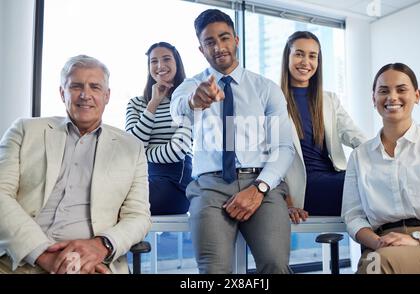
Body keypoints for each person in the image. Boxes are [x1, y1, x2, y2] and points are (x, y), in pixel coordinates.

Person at [0, 55, 151, 274]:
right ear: (62, 92)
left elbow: (138, 216)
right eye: (76, 86)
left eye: (95, 87)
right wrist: (42, 254)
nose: (85, 95)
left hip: (94, 266)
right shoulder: (24, 130)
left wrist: (102, 246)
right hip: (20, 260)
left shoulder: (131, 148)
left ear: (107, 96)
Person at [170, 9, 295, 274]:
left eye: (224, 38)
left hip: (261, 182)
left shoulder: (265, 88)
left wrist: (260, 188)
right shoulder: (191, 86)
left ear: (236, 40)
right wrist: (196, 100)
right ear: (201, 49)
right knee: (213, 271)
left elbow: (284, 148)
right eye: (210, 42)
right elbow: (178, 108)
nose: (218, 47)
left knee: (275, 264)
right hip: (210, 186)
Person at [342, 63, 420, 274]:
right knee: (375, 262)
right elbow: (353, 216)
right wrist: (377, 242)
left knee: (376, 265)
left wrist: (417, 238)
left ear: (417, 96)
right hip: (383, 245)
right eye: (383, 91)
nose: (392, 97)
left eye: (401, 89)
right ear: (374, 99)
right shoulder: (359, 156)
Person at [281, 31, 366, 223]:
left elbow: (353, 135)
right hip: (302, 186)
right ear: (287, 56)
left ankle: (383, 247)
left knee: (374, 182)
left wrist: (385, 155)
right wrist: (283, 198)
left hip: (333, 176)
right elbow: (265, 156)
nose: (305, 62)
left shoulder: (329, 100)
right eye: (299, 54)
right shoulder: (273, 99)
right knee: (368, 191)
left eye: (312, 56)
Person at [126, 42, 192, 215]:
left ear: (177, 63)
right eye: (153, 61)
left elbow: (177, 152)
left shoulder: (186, 102)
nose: (160, 65)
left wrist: (144, 151)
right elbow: (131, 148)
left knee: (123, 204)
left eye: (166, 59)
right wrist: (153, 104)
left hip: (175, 182)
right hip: (140, 178)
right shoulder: (136, 103)